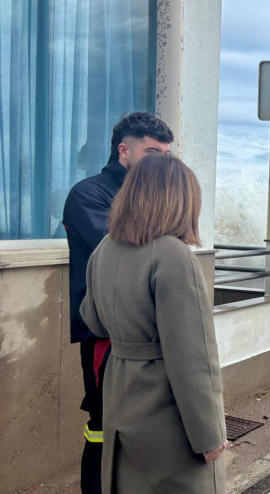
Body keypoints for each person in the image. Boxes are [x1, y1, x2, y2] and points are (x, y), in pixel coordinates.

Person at [80, 154, 227, 493]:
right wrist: (210, 436)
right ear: (180, 201)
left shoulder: (104, 250)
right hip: (166, 417)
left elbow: (94, 321)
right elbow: (194, 359)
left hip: (120, 401)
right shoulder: (173, 256)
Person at [62, 112, 173, 493]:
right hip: (105, 334)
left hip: (150, 335)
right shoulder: (88, 194)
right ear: (124, 151)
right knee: (103, 425)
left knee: (145, 427)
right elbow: (126, 254)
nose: (162, 164)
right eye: (153, 153)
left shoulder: (150, 200)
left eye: (167, 156)